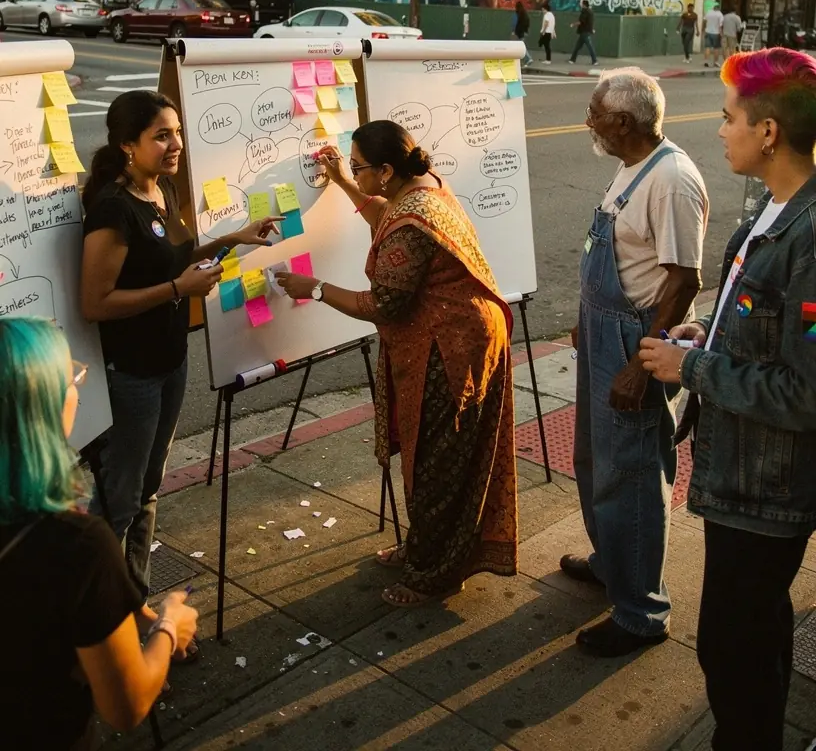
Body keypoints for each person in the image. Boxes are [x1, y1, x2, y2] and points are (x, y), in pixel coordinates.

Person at [640, 49, 816, 750]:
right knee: (757, 633)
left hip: (766, 488)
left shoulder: (810, 236)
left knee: (731, 650)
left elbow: (806, 391)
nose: (718, 130)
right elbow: (761, 325)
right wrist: (706, 333)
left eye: (728, 117)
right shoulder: (768, 210)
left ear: (768, 131)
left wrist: (694, 369)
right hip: (740, 476)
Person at [275, 120, 518, 606]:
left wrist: (316, 289)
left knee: (437, 463)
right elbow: (385, 216)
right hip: (464, 336)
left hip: (452, 352)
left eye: (359, 165)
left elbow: (384, 304)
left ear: (387, 170)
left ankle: (435, 576)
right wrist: (344, 181)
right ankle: (429, 550)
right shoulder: (422, 190)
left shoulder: (415, 217)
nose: (355, 170)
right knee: (442, 457)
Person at [81, 90, 280, 603]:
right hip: (131, 374)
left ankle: (136, 603)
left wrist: (236, 237)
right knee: (118, 501)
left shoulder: (161, 190)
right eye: (162, 135)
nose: (176, 144)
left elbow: (176, 258)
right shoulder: (113, 209)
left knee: (147, 490)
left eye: (177, 131)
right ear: (128, 144)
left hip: (170, 361)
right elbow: (96, 302)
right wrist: (177, 291)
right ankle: (96, 625)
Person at [0, 316, 199, 749]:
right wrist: (169, 625)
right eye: (70, 377)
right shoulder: (76, 545)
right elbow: (126, 707)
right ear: (45, 407)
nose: (77, 386)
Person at [565, 69, 708, 656]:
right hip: (603, 332)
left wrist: (637, 365)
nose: (589, 120)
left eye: (595, 110)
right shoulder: (633, 167)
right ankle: (612, 565)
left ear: (623, 121)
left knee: (633, 476)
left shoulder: (672, 179)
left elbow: (682, 281)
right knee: (596, 461)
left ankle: (641, 612)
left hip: (636, 343)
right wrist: (586, 315)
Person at [569, 0, 598, 66]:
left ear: (584, 5)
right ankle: (572, 60)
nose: (581, 5)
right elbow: (590, 22)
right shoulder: (590, 12)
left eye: (582, 4)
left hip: (584, 32)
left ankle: (595, 61)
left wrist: (573, 24)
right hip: (586, 32)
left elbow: (581, 22)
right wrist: (591, 29)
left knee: (589, 47)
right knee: (577, 46)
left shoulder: (584, 12)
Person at [703, 2, 724, 68]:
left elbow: (704, 21)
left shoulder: (708, 12)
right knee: (716, 48)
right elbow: (720, 26)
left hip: (708, 32)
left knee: (707, 47)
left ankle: (706, 61)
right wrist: (721, 34)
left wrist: (704, 29)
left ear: (713, 8)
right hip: (716, 33)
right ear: (718, 8)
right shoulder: (720, 14)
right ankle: (715, 62)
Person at [513, 0, 533, 67]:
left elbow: (517, 24)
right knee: (521, 46)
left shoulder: (518, 14)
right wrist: (526, 31)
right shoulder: (525, 14)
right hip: (524, 32)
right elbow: (527, 23)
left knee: (521, 47)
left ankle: (528, 58)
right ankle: (522, 61)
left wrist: (514, 32)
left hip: (519, 33)